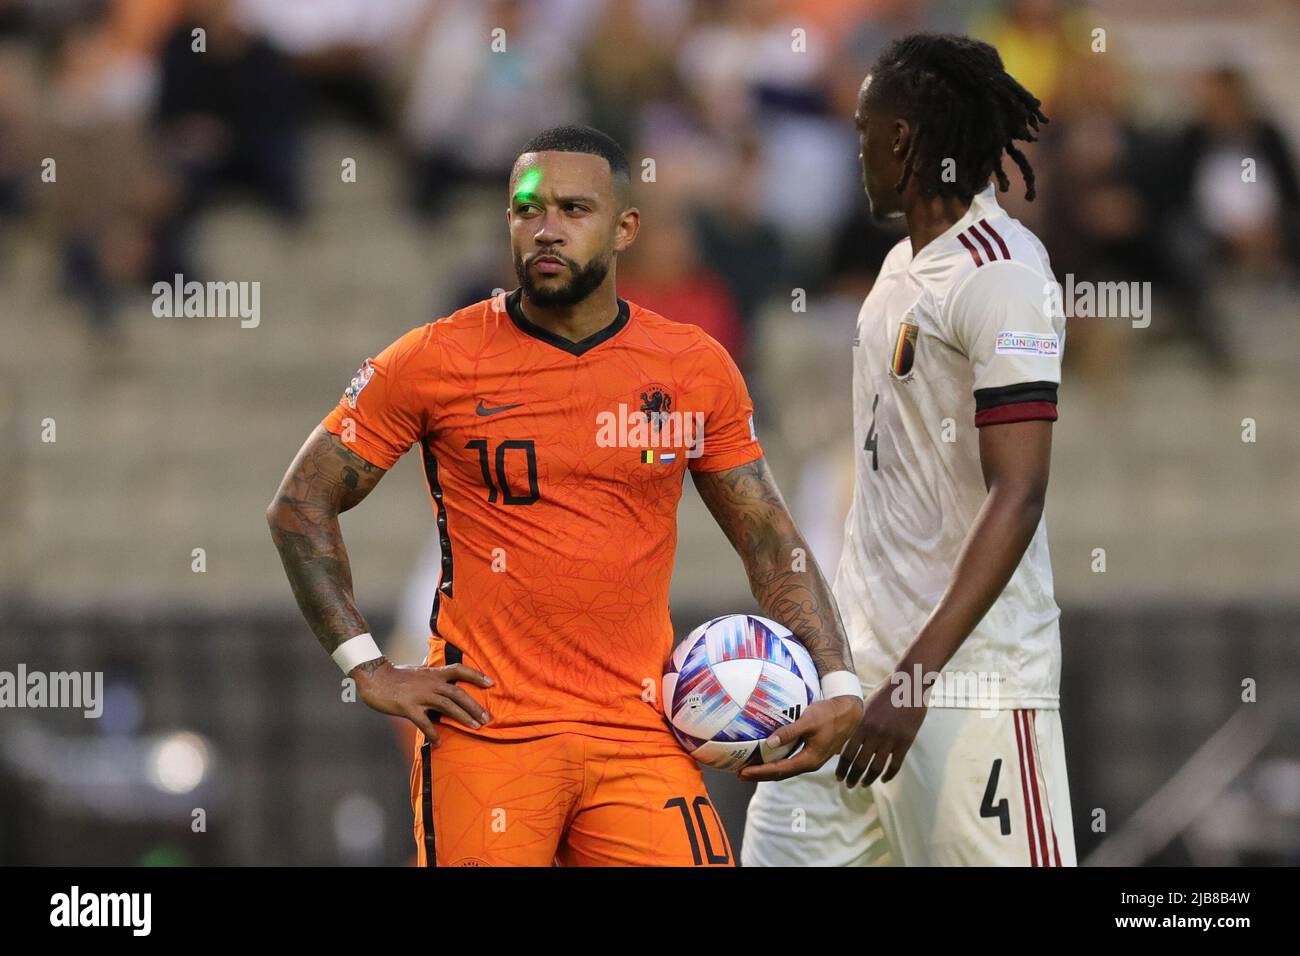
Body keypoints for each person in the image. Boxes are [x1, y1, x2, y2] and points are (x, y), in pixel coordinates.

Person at [267, 125, 863, 867]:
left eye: (574, 210)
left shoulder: (691, 367)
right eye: (526, 209)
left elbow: (767, 533)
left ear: (625, 229)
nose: (546, 229)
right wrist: (367, 666)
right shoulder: (435, 359)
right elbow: (300, 505)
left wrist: (836, 677)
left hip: (639, 734)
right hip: (488, 734)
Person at [743, 34, 1075, 866]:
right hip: (858, 681)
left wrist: (915, 683)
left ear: (901, 139)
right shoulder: (896, 271)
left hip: (965, 691)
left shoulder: (1003, 275)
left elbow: (1020, 492)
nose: (855, 153)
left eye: (862, 132)